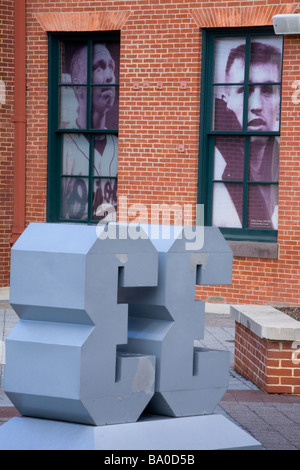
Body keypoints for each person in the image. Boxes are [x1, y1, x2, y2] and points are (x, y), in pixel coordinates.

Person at [213, 41, 281, 230]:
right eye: (245, 90)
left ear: (280, 104)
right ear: (226, 101)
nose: (256, 105)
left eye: (268, 90)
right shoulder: (213, 165)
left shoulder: (289, 162)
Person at [61, 43, 118, 220]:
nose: (110, 76)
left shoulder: (120, 143)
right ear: (77, 86)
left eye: (111, 67)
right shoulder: (64, 145)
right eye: (99, 67)